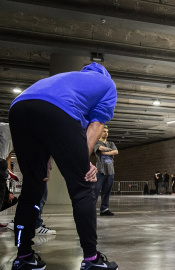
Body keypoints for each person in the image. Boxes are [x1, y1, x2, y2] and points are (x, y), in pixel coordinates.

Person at [8, 62, 118, 269]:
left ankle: (23, 257)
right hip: (57, 110)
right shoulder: (107, 84)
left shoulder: (67, 79)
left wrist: (46, 156)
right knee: (82, 186)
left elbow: (45, 118)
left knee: (33, 186)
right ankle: (92, 260)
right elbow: (95, 125)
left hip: (19, 107)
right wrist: (83, 164)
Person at [94, 125, 118, 216]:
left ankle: (104, 209)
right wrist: (111, 151)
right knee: (95, 190)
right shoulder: (97, 142)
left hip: (110, 171)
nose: (106, 133)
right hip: (101, 170)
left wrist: (106, 152)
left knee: (107, 190)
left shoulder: (111, 143)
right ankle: (91, 209)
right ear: (100, 132)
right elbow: (100, 149)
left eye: (107, 131)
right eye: (104, 131)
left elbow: (116, 151)